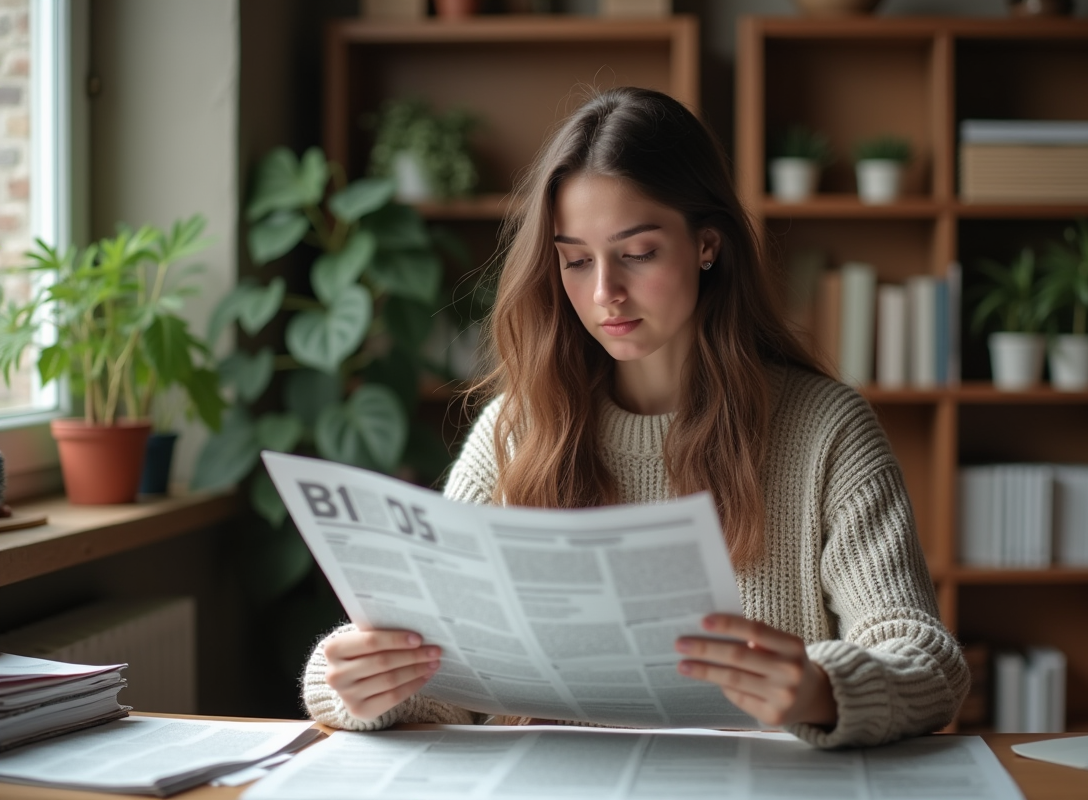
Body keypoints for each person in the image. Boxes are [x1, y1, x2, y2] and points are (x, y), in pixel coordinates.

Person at [302, 86, 968, 748]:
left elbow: (929, 664)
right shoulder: (517, 429)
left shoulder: (826, 430)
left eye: (638, 253)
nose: (604, 294)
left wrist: (820, 690)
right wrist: (359, 681)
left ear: (708, 244)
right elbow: (447, 690)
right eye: (576, 261)